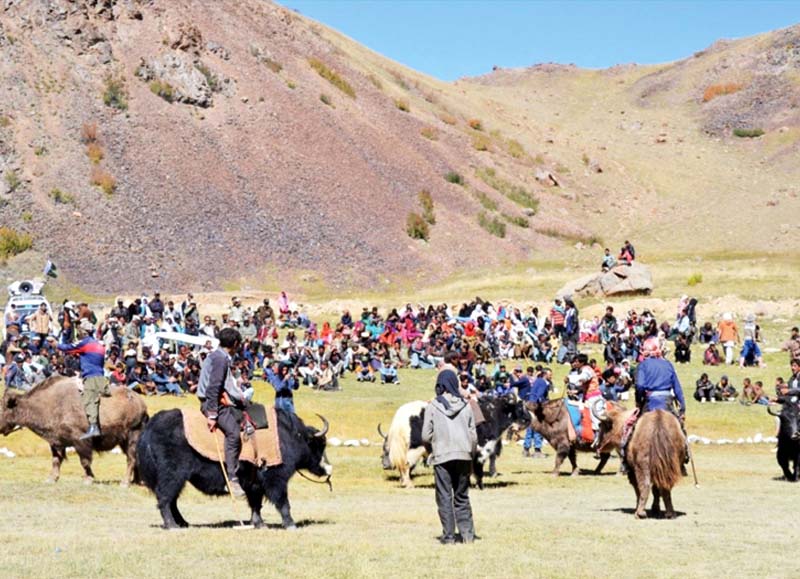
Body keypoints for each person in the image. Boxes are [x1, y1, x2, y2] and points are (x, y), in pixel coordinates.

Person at [421, 368, 477, 545]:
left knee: (444, 496)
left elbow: (425, 435)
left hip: (442, 456)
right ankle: (468, 535)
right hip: (464, 455)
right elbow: (473, 435)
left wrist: (436, 442)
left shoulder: (433, 406)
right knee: (462, 496)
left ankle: (449, 537)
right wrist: (470, 453)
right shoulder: (466, 406)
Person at [619, 338, 686, 473]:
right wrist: (682, 407)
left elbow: (640, 385)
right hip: (667, 402)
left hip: (650, 403)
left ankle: (626, 459)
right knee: (679, 428)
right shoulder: (668, 365)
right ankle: (684, 456)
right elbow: (677, 388)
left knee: (631, 427)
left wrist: (639, 400)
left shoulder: (642, 366)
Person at [198, 327, 246, 498]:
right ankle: (232, 479)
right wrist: (212, 414)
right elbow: (213, 387)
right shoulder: (220, 359)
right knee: (233, 433)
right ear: (234, 344)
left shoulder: (218, 356)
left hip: (218, 399)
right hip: (213, 402)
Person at [57, 320, 108, 439]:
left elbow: (68, 348)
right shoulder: (98, 344)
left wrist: (57, 343)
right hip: (100, 373)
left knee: (90, 400)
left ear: (84, 332)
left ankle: (93, 427)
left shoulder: (85, 343)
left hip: (90, 375)